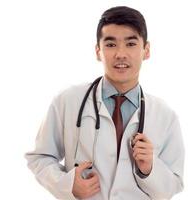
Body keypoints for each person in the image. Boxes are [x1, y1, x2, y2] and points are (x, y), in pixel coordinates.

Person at [25, 6, 185, 200]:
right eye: (110, 44)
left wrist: (150, 168)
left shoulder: (165, 116)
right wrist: (66, 185)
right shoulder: (68, 101)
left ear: (146, 50)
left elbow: (173, 186)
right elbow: (39, 157)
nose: (120, 54)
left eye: (131, 43)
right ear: (98, 51)